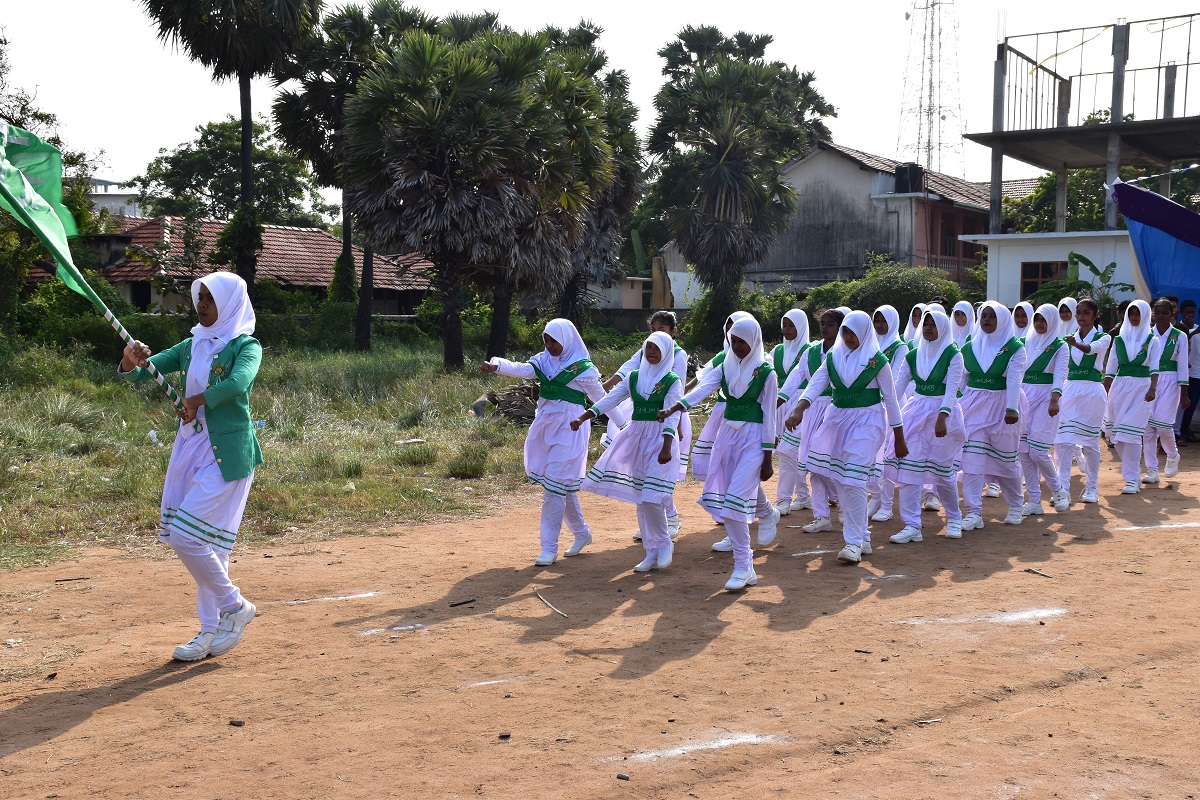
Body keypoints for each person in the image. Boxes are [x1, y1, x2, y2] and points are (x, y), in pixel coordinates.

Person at [120, 272, 262, 662]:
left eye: (210, 299)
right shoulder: (192, 343)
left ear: (229, 304)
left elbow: (238, 384)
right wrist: (132, 357)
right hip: (191, 449)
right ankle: (209, 630)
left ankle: (235, 606)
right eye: (200, 297)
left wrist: (196, 400)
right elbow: (146, 370)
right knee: (207, 544)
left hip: (227, 453)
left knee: (187, 537)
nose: (202, 305)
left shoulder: (245, 346)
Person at [659, 316, 778, 590]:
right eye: (732, 341)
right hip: (727, 437)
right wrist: (675, 408)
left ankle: (743, 566)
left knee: (734, 503)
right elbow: (702, 389)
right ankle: (758, 534)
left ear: (754, 341)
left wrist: (768, 458)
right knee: (730, 499)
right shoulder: (725, 367)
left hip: (753, 440)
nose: (736, 346)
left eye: (741, 342)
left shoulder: (766, 373)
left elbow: (770, 416)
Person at [482, 319, 607, 566]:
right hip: (545, 426)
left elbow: (603, 399)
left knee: (554, 487)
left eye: (554, 341)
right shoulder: (543, 361)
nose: (550, 345)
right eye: (546, 340)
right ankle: (582, 533)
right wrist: (496, 365)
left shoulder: (583, 369)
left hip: (571, 427)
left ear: (567, 340)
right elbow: (521, 369)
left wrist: (623, 425)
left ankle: (549, 547)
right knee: (560, 484)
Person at [787, 310, 907, 564]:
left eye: (854, 332)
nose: (849, 337)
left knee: (853, 479)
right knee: (843, 480)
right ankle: (863, 538)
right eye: (846, 332)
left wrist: (899, 436)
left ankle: (852, 543)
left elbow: (891, 399)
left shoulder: (878, 361)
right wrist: (799, 409)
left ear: (864, 333)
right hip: (837, 420)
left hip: (868, 422)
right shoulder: (833, 356)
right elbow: (816, 384)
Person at [575, 331, 683, 572]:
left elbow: (672, 415)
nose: (651, 352)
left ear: (666, 352)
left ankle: (664, 542)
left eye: (656, 348)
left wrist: (667, 445)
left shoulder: (672, 381)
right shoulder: (634, 377)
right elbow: (611, 399)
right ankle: (651, 551)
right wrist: (585, 416)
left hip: (660, 440)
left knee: (652, 496)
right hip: (637, 438)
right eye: (648, 347)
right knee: (641, 499)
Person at [603, 311, 690, 539]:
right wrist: (606, 386)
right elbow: (628, 367)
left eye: (662, 330)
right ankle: (648, 523)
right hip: (640, 415)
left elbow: (678, 391)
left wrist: (677, 425)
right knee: (640, 473)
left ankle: (671, 518)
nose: (656, 335)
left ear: (673, 331)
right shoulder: (647, 350)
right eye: (653, 330)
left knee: (658, 475)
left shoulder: (678, 355)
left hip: (666, 417)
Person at [885, 307, 965, 542]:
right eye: (926, 324)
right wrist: (887, 411)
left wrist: (943, 417)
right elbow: (897, 387)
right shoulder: (913, 354)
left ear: (943, 328)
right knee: (909, 469)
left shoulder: (953, 354)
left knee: (943, 471)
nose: (928, 328)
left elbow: (952, 389)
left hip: (943, 415)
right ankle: (912, 525)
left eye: (933, 324)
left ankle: (955, 518)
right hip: (916, 413)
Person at [958, 301, 1028, 529]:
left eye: (992, 316)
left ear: (1003, 320)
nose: (987, 320)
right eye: (984, 316)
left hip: (1003, 407)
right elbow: (962, 379)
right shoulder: (969, 345)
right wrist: (955, 405)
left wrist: (1012, 408)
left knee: (1005, 461)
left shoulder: (1015, 348)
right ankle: (973, 512)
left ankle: (1016, 505)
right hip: (973, 406)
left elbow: (1014, 379)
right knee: (972, 459)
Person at [779, 308, 845, 533]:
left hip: (835, 409)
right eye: (822, 324)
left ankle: (844, 503)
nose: (825, 328)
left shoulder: (846, 352)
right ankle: (821, 516)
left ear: (841, 328)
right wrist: (780, 399)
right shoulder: (811, 352)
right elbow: (796, 376)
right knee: (812, 464)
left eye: (830, 324)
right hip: (811, 408)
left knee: (830, 462)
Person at [1054, 298, 1111, 503]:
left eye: (1086, 313)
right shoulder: (1068, 338)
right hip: (1070, 390)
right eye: (1078, 312)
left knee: (1090, 443)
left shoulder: (1104, 337)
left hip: (1093, 391)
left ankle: (1092, 488)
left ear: (1095, 315)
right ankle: (1063, 490)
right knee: (1065, 440)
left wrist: (1074, 343)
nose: (1081, 317)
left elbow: (1091, 349)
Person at [1104, 300, 1162, 494]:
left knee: (1132, 432)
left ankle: (1131, 478)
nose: (1134, 317)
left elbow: (1155, 367)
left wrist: (1153, 389)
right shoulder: (1119, 339)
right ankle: (1133, 473)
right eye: (1131, 314)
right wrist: (1105, 388)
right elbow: (1111, 366)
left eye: (1138, 314)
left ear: (1145, 315)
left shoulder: (1152, 340)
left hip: (1142, 389)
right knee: (1117, 436)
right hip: (1120, 387)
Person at [1017, 304, 1070, 514]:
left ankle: (1058, 491)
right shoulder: (1023, 342)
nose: (1039, 323)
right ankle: (1034, 501)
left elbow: (1060, 374)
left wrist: (1055, 399)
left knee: (1038, 451)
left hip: (1046, 398)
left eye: (1044, 320)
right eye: (1037, 319)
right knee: (1023, 451)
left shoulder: (1060, 346)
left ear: (1052, 322)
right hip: (1023, 398)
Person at [868, 305, 908, 521]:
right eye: (877, 320)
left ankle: (886, 504)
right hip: (871, 404)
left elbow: (896, 377)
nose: (880, 325)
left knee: (887, 456)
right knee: (871, 454)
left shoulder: (899, 347)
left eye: (884, 321)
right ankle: (875, 496)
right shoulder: (870, 344)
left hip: (891, 404)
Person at [1143, 297, 1190, 482]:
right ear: (1152, 314)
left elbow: (1183, 365)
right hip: (1149, 381)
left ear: (1172, 314)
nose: (1161, 315)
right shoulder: (1147, 334)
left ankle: (1172, 454)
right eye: (1157, 312)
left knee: (1163, 424)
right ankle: (1152, 469)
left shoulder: (1179, 336)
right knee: (1148, 428)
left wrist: (1184, 394)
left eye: (1165, 312)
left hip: (1171, 382)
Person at [772, 309, 812, 516]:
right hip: (780, 401)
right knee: (787, 451)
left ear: (802, 327)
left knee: (793, 450)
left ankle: (786, 498)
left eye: (791, 326)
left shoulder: (809, 350)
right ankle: (802, 495)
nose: (786, 330)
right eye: (784, 326)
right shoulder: (778, 350)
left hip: (802, 403)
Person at [1178, 299, 1200, 443]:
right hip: (1191, 375)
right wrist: (1194, 332)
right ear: (1181, 312)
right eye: (1187, 312)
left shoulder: (1197, 328)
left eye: (1192, 313)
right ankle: (1183, 434)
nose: (1190, 315)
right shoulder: (1179, 329)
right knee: (1188, 406)